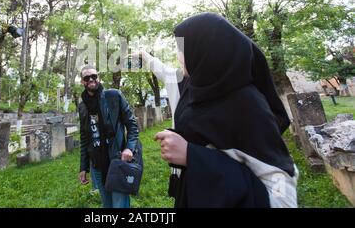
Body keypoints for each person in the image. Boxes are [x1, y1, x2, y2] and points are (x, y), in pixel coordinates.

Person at [153, 13, 298, 208]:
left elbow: (282, 194)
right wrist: (145, 57)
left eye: (181, 48)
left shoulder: (247, 104)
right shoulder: (198, 88)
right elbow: (166, 73)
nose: (178, 56)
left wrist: (192, 156)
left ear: (206, 49)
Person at [78, 65, 139, 208]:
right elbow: (84, 138)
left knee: (119, 205)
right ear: (82, 82)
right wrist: (83, 167)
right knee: (107, 205)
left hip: (116, 160)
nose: (91, 79)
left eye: (94, 76)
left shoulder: (113, 96)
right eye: (87, 78)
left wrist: (129, 148)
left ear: (98, 77)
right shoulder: (82, 106)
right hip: (97, 165)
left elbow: (132, 125)